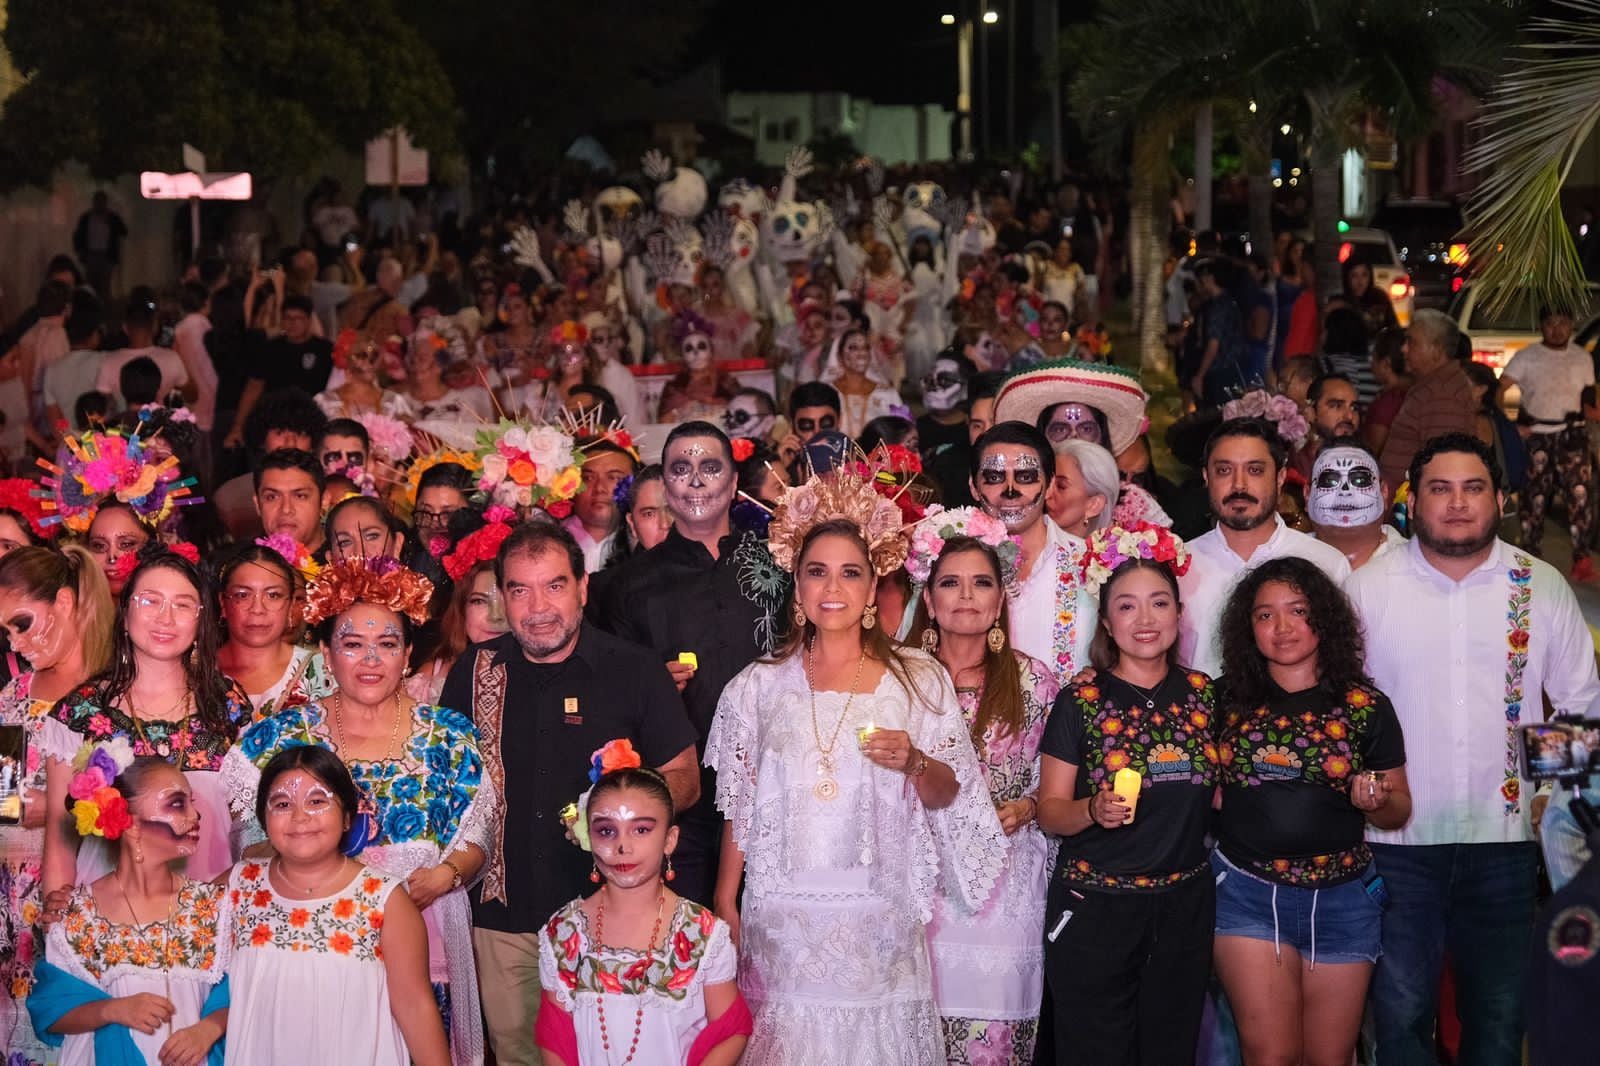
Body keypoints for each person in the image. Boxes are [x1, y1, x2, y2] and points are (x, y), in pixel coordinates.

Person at [704, 463, 1007, 1063]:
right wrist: (724, 901)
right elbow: (740, 803)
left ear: (874, 588)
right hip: (782, 919)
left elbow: (952, 793)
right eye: (817, 573)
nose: (832, 588)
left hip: (878, 918)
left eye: (850, 573)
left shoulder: (918, 679)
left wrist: (916, 761)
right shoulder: (755, 687)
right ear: (797, 587)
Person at [1345, 433, 1600, 1065]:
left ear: (1501, 499)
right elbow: (1339, 711)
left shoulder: (1539, 586)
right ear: (1411, 501)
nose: (1457, 504)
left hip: (1508, 848)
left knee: (1500, 1015)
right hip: (1396, 847)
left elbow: (1579, 708)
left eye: (1473, 488)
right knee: (1400, 1016)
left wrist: (1547, 808)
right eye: (1439, 488)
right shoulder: (1367, 590)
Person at [438, 522, 701, 1066]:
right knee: (518, 1056)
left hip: (610, 915)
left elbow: (685, 778)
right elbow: (445, 786)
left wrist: (620, 812)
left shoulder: (633, 670)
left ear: (583, 588)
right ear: (501, 599)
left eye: (554, 586)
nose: (538, 607)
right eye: (519, 590)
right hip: (501, 916)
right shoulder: (475, 673)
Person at [224, 554, 492, 1063]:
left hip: (423, 927)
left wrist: (447, 875)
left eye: (386, 645)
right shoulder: (281, 736)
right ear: (326, 653)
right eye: (353, 644)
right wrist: (326, 869)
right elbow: (246, 843)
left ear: (409, 654)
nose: (370, 660)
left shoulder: (449, 737)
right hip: (310, 942)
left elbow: (479, 836)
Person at [1212, 556, 1411, 1066]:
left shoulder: (1365, 706)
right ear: (1247, 628)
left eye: (1298, 610)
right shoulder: (1222, 700)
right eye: (1264, 615)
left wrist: (1379, 800)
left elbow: (1399, 810)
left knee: (1329, 1056)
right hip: (1247, 894)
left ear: (1323, 617)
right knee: (1271, 1054)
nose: (1282, 628)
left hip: (1345, 899)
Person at [1036, 524, 1217, 1064]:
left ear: (1178, 614)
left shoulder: (1205, 696)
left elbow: (1226, 795)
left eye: (1159, 603)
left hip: (1183, 904)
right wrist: (1092, 809)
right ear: (1108, 622)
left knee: (1169, 1049)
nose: (1145, 619)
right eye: (1127, 606)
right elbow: (1049, 812)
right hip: (1097, 907)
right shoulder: (1082, 699)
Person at [594, 422, 791, 906]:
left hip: (780, 786)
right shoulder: (626, 585)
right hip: (683, 798)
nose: (697, 481)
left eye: (710, 468)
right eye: (681, 469)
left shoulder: (782, 564)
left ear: (734, 481)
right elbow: (608, 693)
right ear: (666, 486)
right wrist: (650, 687)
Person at [907, 511, 1058, 1064]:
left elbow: (1061, 789)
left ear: (999, 602)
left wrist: (1030, 805)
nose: (965, 596)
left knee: (991, 1047)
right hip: (917, 889)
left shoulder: (1035, 683)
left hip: (1003, 891)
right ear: (928, 599)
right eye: (950, 582)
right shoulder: (900, 678)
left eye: (981, 583)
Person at [39, 547, 251, 896]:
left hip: (208, 909)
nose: (166, 619)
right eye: (150, 601)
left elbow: (247, 827)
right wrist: (58, 920)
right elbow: (61, 841)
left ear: (201, 621)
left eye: (183, 605)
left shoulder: (227, 704)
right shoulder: (80, 712)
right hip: (107, 918)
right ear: (125, 614)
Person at [222, 745, 450, 1066]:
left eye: (317, 802)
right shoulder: (238, 886)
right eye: (283, 804)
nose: (300, 817)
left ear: (346, 817)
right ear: (264, 818)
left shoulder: (384, 899)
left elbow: (415, 1007)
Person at [534, 754, 751, 1066]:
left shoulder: (701, 933)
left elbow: (732, 1030)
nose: (623, 846)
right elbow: (554, 1037)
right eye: (607, 831)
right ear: (588, 836)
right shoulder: (563, 933)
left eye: (641, 830)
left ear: (669, 839)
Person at [31, 749, 230, 1065]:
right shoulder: (78, 914)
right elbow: (51, 1010)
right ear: (131, 824)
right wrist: (112, 1009)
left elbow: (244, 992)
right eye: (177, 804)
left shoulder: (213, 908)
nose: (194, 815)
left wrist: (209, 1028)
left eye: (191, 803)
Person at [0, 545, 113, 1064]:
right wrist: (20, 808)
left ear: (65, 603)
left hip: (91, 888)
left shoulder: (116, 691)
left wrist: (62, 806)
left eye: (23, 623)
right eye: (6, 634)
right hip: (11, 900)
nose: (17, 643)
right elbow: (3, 796)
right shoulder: (12, 696)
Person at [1177, 417, 1350, 677]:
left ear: (1280, 477)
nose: (1239, 485)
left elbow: (1344, 661)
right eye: (1224, 470)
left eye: (1255, 470)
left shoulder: (1324, 562)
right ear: (1206, 477)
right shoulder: (1179, 565)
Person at [970, 422, 1095, 687]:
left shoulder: (1091, 563)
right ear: (973, 486)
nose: (1011, 490)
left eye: (1026, 477)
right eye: (994, 477)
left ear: (1050, 485)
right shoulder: (945, 565)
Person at [1502, 305, 1597, 578]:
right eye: (1551, 323)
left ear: (1572, 325)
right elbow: (1501, 389)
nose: (1557, 329)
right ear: (1541, 326)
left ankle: (1582, 558)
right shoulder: (1527, 357)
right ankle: (1531, 555)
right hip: (1537, 435)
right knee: (1534, 499)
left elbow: (1589, 397)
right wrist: (1511, 425)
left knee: (1580, 497)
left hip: (1572, 434)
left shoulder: (1582, 358)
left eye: (1563, 323)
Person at [215, 543, 328, 718]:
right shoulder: (195, 673)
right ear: (223, 603)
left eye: (273, 595)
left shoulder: (322, 672)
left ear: (290, 604)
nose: (258, 609)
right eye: (243, 595)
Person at [1377, 310, 1476, 499]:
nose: (1404, 349)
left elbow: (1443, 465)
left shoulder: (1442, 394)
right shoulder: (1434, 386)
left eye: (1411, 342)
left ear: (1436, 350)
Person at [1306, 441, 1405, 569]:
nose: (1344, 491)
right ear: (1307, 495)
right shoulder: (1284, 560)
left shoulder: (1419, 563)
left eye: (1360, 480)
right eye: (1329, 481)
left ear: (1384, 493)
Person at [563, 439, 639, 574]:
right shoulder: (548, 539)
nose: (599, 488)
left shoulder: (645, 543)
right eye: (588, 478)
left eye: (613, 478)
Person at [658, 312, 738, 424]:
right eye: (689, 348)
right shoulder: (674, 387)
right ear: (682, 355)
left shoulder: (726, 382)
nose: (696, 352)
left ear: (711, 350)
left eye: (701, 346)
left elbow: (740, 413)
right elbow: (663, 423)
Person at [824, 328, 902, 440]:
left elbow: (903, 433)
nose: (862, 353)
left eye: (866, 348)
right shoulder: (826, 392)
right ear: (839, 356)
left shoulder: (888, 394)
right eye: (853, 348)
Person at [253, 449, 326, 555]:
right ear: (257, 504)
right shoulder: (240, 565)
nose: (286, 509)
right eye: (272, 497)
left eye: (300, 496)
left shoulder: (347, 562)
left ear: (324, 501)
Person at [1047, 438, 1118, 539]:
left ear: (1094, 505)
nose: (1046, 494)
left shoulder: (1115, 552)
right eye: (1046, 482)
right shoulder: (1020, 548)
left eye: (1061, 486)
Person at [1362, 327, 1410, 459]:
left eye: (1373, 356)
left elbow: (1374, 451)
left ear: (1385, 364)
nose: (1371, 363)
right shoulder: (1418, 392)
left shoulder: (1386, 404)